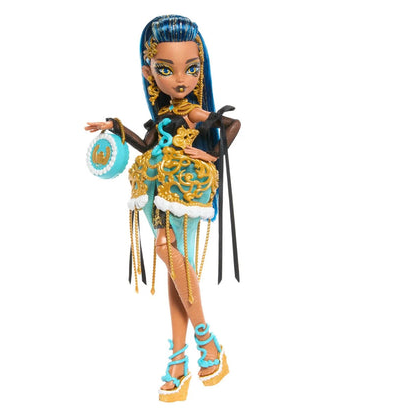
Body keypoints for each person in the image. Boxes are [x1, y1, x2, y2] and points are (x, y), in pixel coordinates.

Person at [85, 15, 240, 402]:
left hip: (184, 189)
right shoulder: (161, 117)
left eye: (191, 68)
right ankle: (180, 358)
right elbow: (144, 145)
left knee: (168, 254)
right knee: (174, 269)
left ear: (200, 69)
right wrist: (116, 127)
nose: (181, 80)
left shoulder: (191, 112)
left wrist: (211, 154)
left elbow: (232, 124)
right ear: (149, 72)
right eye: (166, 69)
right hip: (154, 188)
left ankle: (205, 339)